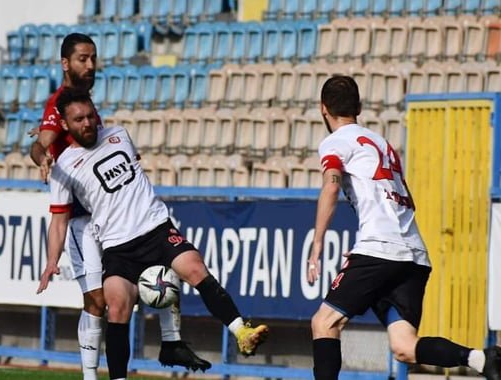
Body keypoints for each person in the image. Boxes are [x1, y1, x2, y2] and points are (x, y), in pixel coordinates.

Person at [37, 89, 269, 380]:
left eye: (90, 116)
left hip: (157, 229)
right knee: (117, 306)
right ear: (66, 126)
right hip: (118, 247)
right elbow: (59, 221)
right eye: (79, 119)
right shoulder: (66, 167)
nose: (87, 123)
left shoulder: (119, 134)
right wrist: (50, 262)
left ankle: (242, 331)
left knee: (196, 268)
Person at [30, 33, 210, 378]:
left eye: (93, 58)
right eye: (83, 59)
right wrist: (43, 159)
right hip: (83, 221)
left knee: (153, 275)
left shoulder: (85, 102)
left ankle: (170, 343)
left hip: (111, 219)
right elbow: (41, 144)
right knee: (98, 301)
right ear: (66, 64)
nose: (91, 65)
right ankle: (90, 375)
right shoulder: (58, 103)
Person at [308, 75, 501, 380]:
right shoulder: (382, 143)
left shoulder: (336, 141)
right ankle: (480, 359)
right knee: (404, 347)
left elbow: (331, 186)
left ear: (323, 109)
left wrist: (317, 244)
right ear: (359, 106)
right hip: (414, 254)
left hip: (381, 249)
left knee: (324, 323)